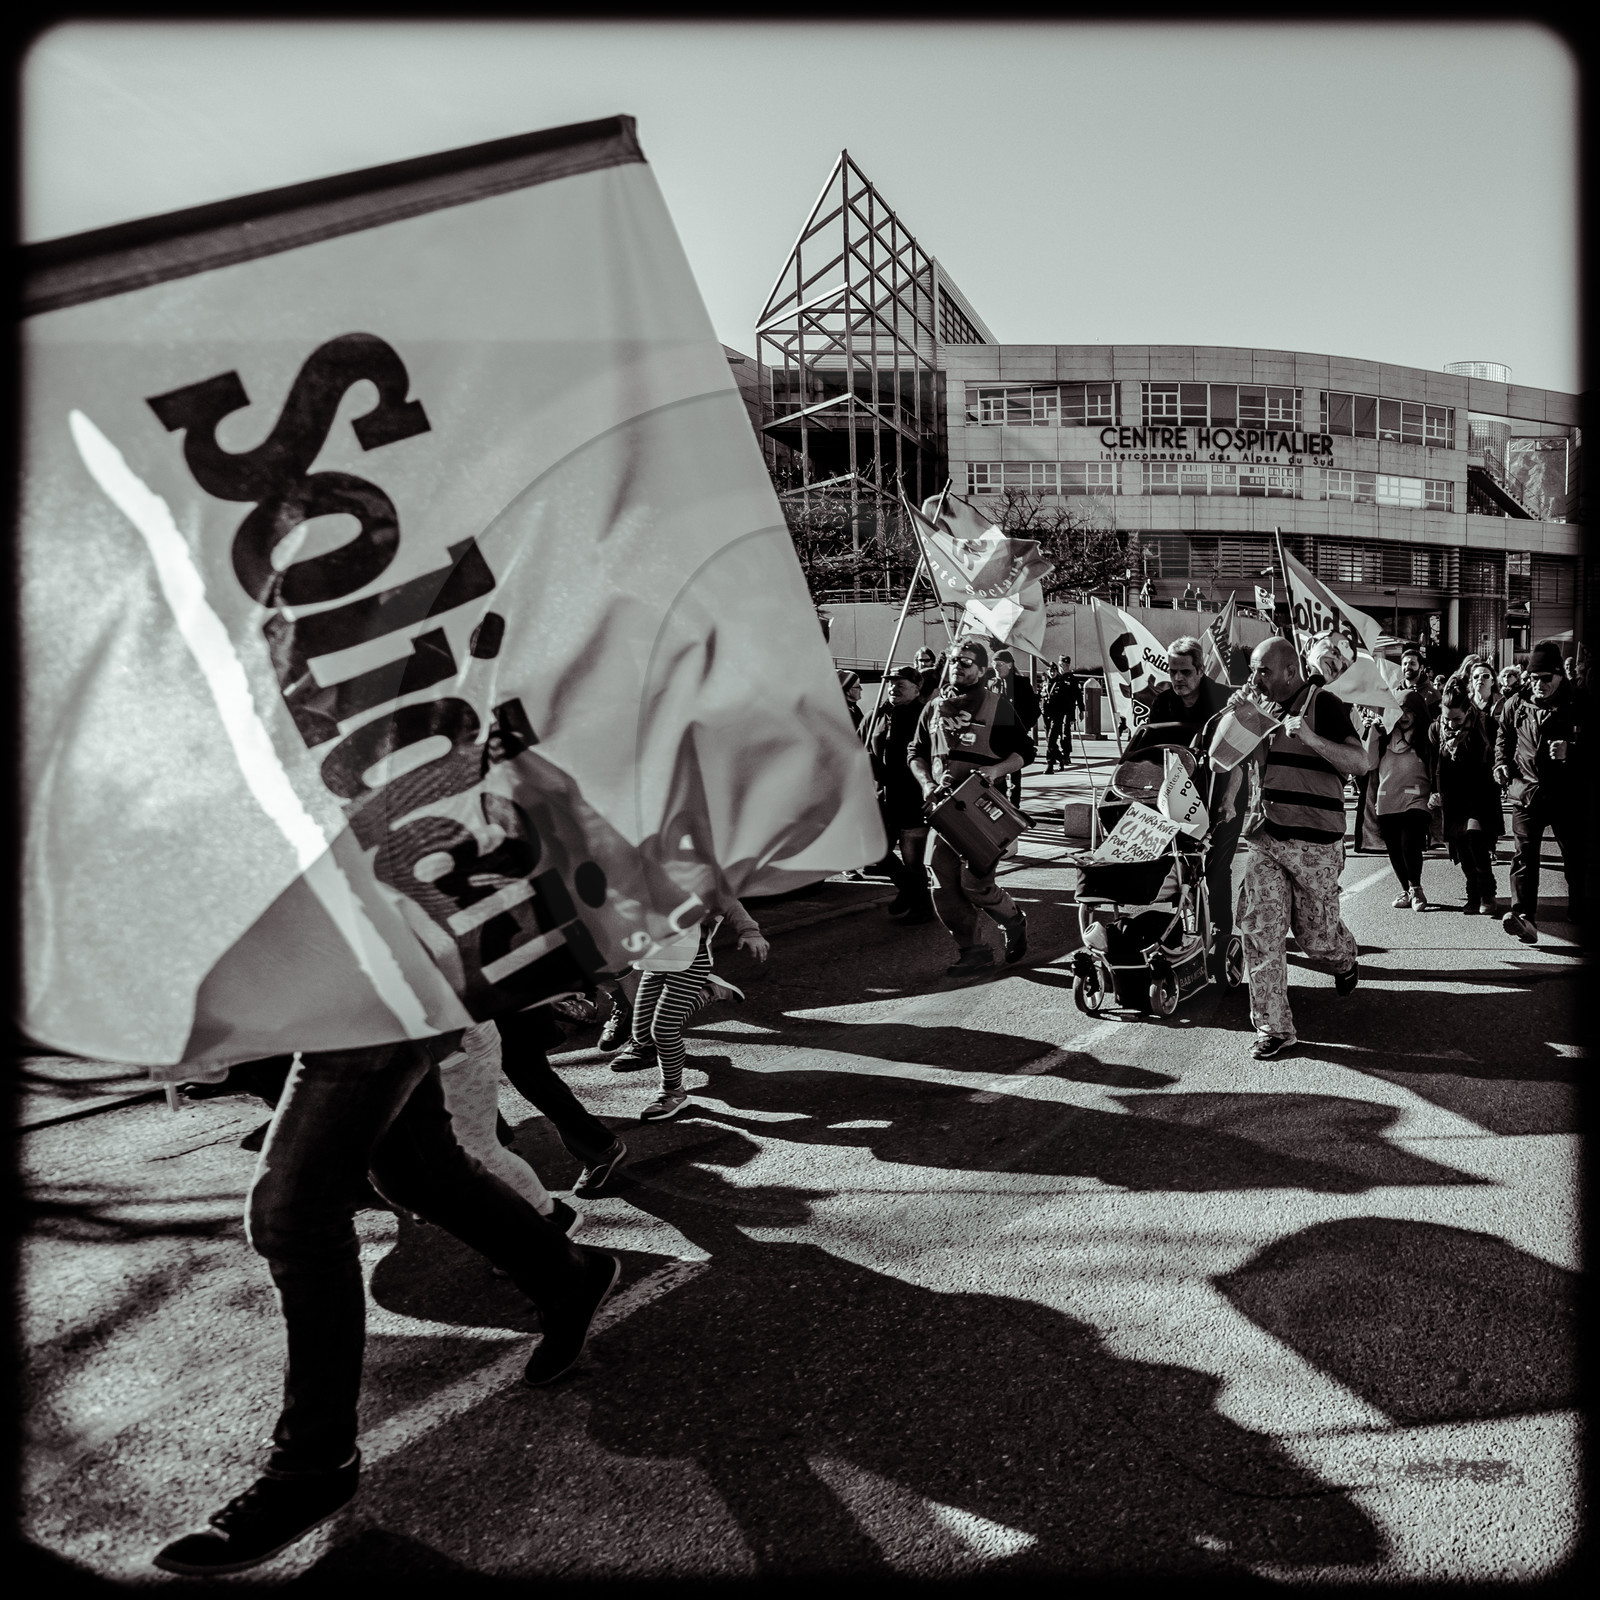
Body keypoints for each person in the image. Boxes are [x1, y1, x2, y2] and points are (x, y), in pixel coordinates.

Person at [153, 1035, 621, 1575]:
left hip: (350, 1000)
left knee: (294, 1215)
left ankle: (312, 1465)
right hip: (304, 1016)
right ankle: (568, 1277)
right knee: (419, 1173)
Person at [1234, 637, 1368, 1060]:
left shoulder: (1323, 704)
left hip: (1317, 845)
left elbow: (1360, 764)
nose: (1255, 678)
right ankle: (1274, 1027)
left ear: (1290, 672)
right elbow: (1235, 762)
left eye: (1264, 671)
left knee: (1316, 938)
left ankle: (1344, 959)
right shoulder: (1257, 708)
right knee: (1261, 928)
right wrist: (1238, 719)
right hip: (1268, 837)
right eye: (1253, 670)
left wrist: (1310, 737)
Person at [908, 639, 1030, 976]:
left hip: (981, 812)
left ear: (981, 669)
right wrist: (927, 784)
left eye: (966, 661)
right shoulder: (932, 708)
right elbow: (915, 753)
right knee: (942, 885)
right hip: (943, 813)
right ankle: (973, 950)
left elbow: (1025, 751)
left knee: (974, 884)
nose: (958, 665)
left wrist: (994, 770)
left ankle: (1012, 918)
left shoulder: (996, 706)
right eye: (953, 660)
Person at [611, 897, 770, 1119]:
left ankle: (673, 1093)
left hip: (690, 960)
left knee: (664, 1031)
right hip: (653, 960)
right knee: (643, 1035)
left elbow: (726, 900)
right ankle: (711, 991)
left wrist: (750, 931)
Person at [1149, 636, 1243, 973]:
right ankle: (1177, 932)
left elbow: (1238, 761)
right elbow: (1148, 753)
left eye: (1185, 672)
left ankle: (1220, 932)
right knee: (1177, 867)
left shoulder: (1221, 701)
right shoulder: (1162, 704)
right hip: (1177, 797)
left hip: (1223, 793)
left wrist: (1229, 802)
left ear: (1201, 670)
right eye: (1173, 671)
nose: (1177, 679)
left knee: (1215, 871)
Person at [1494, 637, 1586, 944]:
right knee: (1524, 855)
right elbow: (1503, 739)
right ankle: (1523, 917)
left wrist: (1572, 751)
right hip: (1527, 792)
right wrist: (1501, 767)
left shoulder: (1581, 702)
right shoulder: (1516, 704)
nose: (1538, 684)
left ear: (1560, 674)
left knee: (1575, 855)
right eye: (1533, 678)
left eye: (1545, 679)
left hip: (1568, 795)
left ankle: (1580, 909)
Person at [495, 1005, 630, 1197]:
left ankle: (600, 1147)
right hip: (473, 1015)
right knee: (530, 1080)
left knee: (534, 1080)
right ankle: (498, 1159)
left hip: (495, 1009)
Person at [863, 667, 935, 923]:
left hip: (912, 797)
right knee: (874, 848)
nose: (893, 686)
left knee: (913, 858)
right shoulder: (876, 715)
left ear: (916, 688)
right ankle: (910, 889)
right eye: (890, 682)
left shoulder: (924, 716)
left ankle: (922, 907)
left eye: (899, 683)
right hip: (883, 797)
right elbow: (859, 746)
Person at [1432, 681, 1504, 914]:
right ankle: (1472, 894)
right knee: (1462, 849)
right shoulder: (1437, 729)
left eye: (1457, 720)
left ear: (1468, 711)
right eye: (1447, 719)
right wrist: (1436, 791)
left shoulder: (1485, 725)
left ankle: (1487, 894)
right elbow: (1435, 763)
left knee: (1475, 840)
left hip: (1480, 796)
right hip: (1454, 798)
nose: (1452, 725)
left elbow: (1499, 753)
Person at [1363, 690, 1438, 911]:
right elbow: (1369, 764)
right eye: (1399, 710)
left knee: (1409, 843)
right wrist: (1374, 734)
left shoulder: (1428, 734)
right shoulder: (1384, 734)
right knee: (1394, 848)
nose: (1404, 715)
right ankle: (1406, 890)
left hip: (1418, 799)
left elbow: (1436, 766)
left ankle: (1416, 889)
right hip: (1387, 799)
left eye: (1409, 711)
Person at [992, 650, 1040, 809]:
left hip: (1015, 735)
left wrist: (1022, 728)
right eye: (994, 665)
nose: (996, 668)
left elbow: (1035, 710)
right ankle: (1001, 805)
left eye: (999, 665)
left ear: (1010, 665)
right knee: (997, 775)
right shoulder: (992, 684)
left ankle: (1014, 807)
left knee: (1014, 774)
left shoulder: (1021, 684)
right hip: (996, 737)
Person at [1040, 655, 1082, 773]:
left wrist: (1073, 715)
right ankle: (1060, 759)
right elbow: (1040, 698)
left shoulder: (1062, 683)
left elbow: (1072, 699)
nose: (1052, 673)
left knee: (1056, 739)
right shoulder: (1045, 684)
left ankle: (1051, 764)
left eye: (1054, 671)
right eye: (1050, 671)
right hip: (1047, 716)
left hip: (1058, 716)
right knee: (1050, 741)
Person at [837, 669, 865, 733]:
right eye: (858, 686)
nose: (861, 689)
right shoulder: (844, 713)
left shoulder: (854, 708)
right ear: (848, 691)